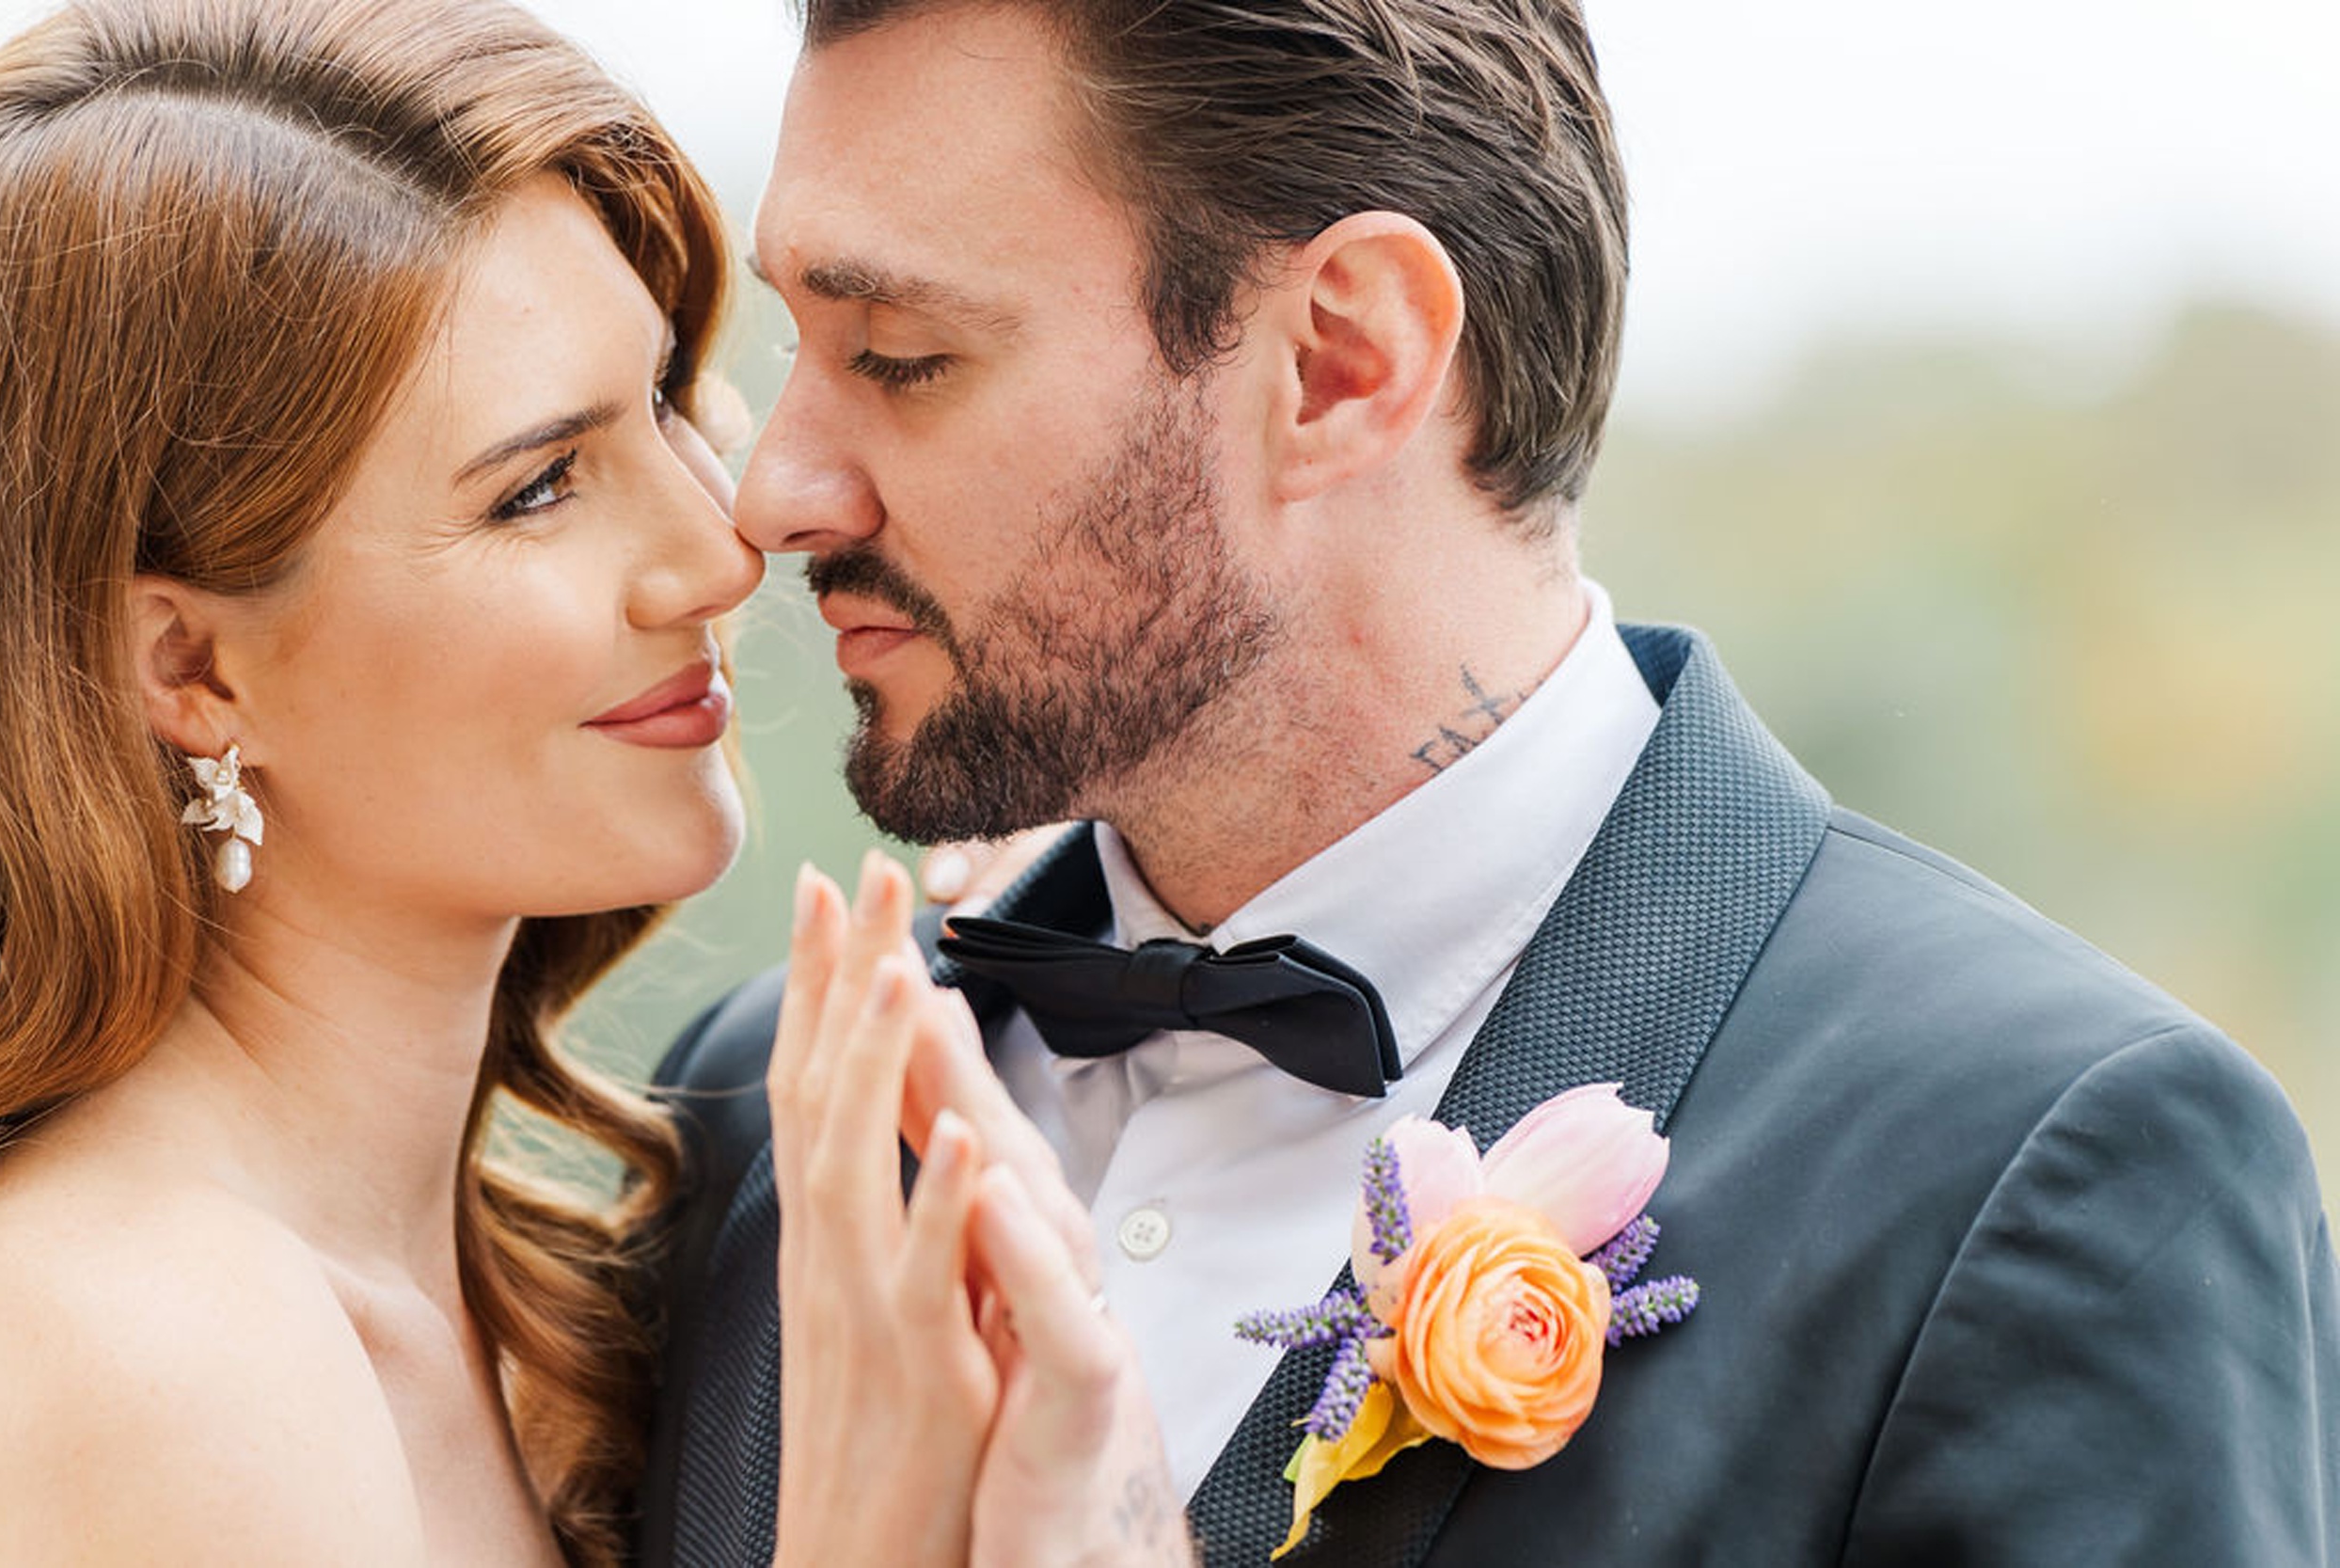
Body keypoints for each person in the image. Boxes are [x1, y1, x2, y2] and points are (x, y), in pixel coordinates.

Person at [642, 0, 2340, 1563]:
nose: (774, 489)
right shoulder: (758, 1111)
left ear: (1342, 360)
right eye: (798, 349)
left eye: (903, 356)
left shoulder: (2045, 1171)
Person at [0, 0, 874, 1560]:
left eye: (669, 398)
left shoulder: (523, 1316)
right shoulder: (154, 1349)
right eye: (538, 487)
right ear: (192, 672)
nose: (717, 550)